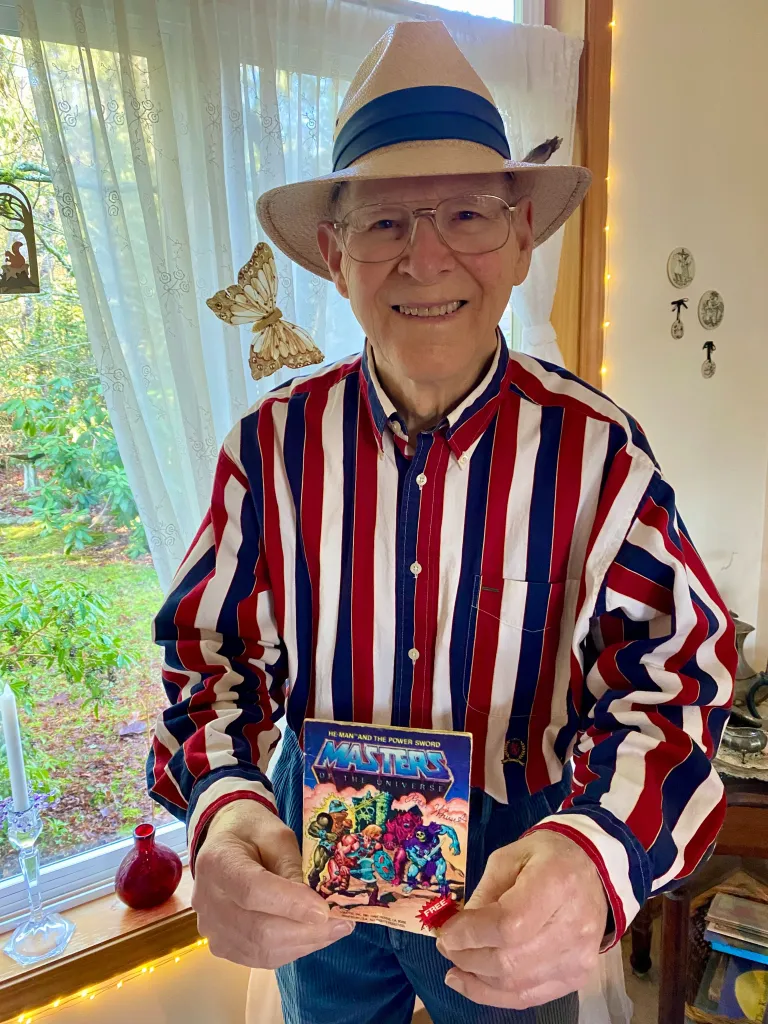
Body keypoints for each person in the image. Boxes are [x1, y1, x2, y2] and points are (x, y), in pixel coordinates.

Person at [146, 21, 736, 1024]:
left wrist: (594, 856)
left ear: (519, 243)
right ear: (336, 256)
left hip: (517, 860)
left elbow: (673, 682)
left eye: (466, 213)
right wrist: (226, 807)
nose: (425, 259)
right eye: (383, 224)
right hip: (315, 855)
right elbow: (212, 660)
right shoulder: (270, 445)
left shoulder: (600, 454)